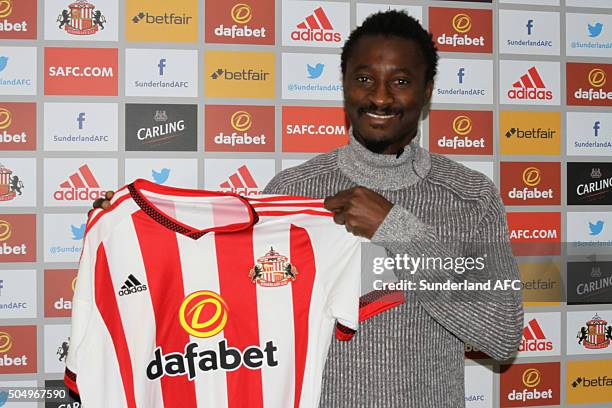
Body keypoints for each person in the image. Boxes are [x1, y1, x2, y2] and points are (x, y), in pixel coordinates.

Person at [94, 11, 523, 408]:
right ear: (344, 84)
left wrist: (395, 229)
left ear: (427, 90)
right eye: (364, 78)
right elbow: (229, 302)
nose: (379, 96)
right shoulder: (293, 192)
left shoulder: (470, 197)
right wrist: (126, 235)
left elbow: (502, 336)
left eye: (400, 81)